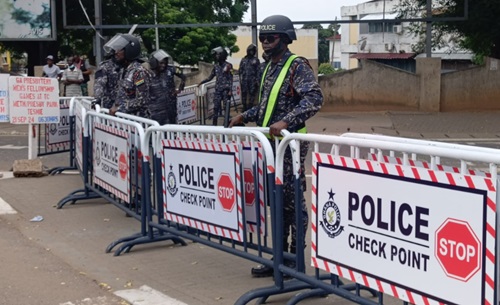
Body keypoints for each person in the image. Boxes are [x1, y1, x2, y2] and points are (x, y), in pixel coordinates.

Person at [228, 15, 323, 278]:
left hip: (289, 146)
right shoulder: (269, 68)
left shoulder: (296, 66)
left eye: (271, 38)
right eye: (262, 39)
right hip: (270, 145)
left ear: (284, 38)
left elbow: (314, 98)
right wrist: (244, 115)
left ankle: (295, 260)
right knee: (276, 202)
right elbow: (267, 105)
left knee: (293, 203)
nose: (265, 43)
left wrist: (286, 121)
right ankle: (279, 258)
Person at [105, 34, 151, 118]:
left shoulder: (139, 72)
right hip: (124, 121)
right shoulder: (123, 70)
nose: (116, 52)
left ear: (129, 50)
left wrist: (120, 108)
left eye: (120, 49)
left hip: (137, 121)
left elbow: (142, 100)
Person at [148, 49, 186, 124]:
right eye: (161, 63)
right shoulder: (149, 73)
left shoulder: (171, 69)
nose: (163, 65)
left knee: (172, 121)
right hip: (157, 106)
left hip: (171, 102)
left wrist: (180, 89)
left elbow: (183, 77)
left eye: (165, 63)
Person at [197, 47, 233, 126]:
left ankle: (226, 124)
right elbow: (210, 77)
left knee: (226, 108)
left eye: (217, 55)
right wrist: (201, 82)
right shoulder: (216, 67)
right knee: (216, 108)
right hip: (218, 90)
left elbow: (231, 78)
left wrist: (230, 90)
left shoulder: (228, 65)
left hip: (225, 90)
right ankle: (214, 125)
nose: (216, 57)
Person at [93, 38, 122, 109]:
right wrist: (97, 98)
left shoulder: (127, 65)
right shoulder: (105, 66)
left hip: (124, 104)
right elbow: (99, 84)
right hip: (110, 104)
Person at [238, 44, 260, 111]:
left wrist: (257, 80)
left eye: (253, 51)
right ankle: (244, 106)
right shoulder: (243, 60)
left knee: (252, 93)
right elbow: (240, 70)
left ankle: (250, 107)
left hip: (253, 80)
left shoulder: (256, 60)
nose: (252, 52)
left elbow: (258, 71)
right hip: (244, 80)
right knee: (244, 93)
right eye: (251, 51)